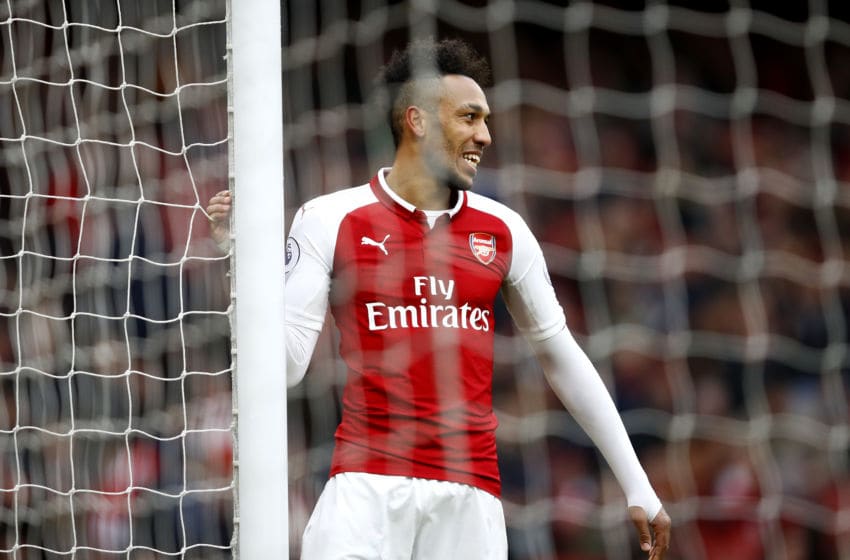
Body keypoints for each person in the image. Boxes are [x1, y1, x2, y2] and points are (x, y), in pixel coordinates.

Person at [207, 37, 671, 560]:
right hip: (365, 491)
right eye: (470, 117)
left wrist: (637, 483)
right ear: (417, 121)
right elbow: (288, 367)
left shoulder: (504, 229)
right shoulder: (329, 218)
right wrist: (239, 264)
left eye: (486, 121)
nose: (485, 135)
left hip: (470, 499)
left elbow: (561, 356)